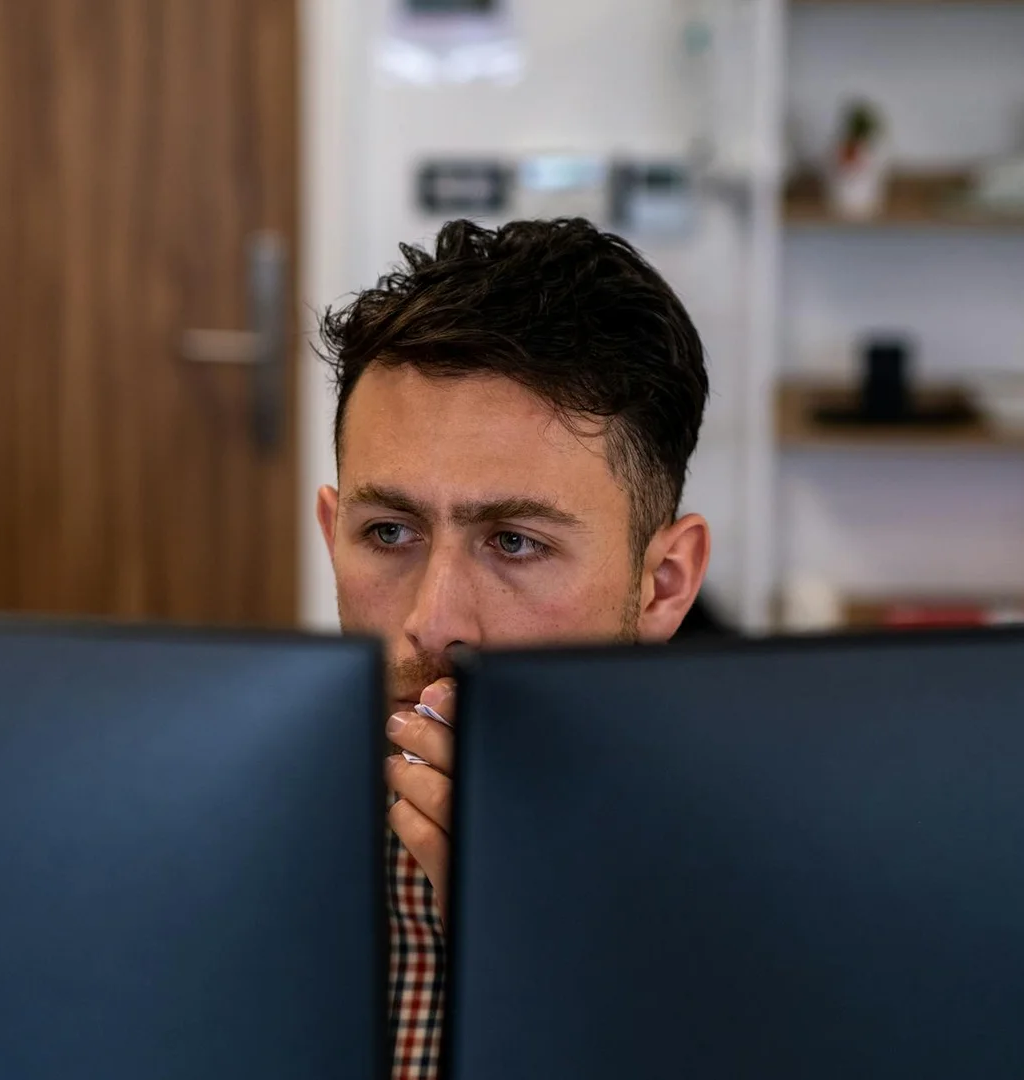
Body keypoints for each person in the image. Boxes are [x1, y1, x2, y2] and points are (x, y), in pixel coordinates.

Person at [316, 217, 712, 1080]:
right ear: (330, 533)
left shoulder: (758, 882)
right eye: (389, 532)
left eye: (516, 543)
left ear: (664, 584)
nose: (435, 622)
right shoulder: (233, 844)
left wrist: (537, 948)